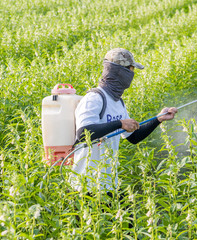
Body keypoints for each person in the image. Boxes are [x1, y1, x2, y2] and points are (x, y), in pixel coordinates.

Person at [71, 48, 177, 191]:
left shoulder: (118, 102)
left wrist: (159, 119)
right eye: (131, 70)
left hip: (107, 186)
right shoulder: (94, 98)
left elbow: (133, 137)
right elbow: (83, 133)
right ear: (121, 72)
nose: (132, 75)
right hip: (85, 187)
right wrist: (119, 123)